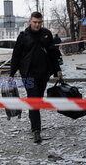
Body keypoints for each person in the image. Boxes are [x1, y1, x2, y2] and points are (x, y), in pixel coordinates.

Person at [9, 12, 62, 143]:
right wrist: (11, 74)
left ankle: (35, 125)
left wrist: (58, 71)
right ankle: (36, 130)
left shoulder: (47, 34)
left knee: (38, 99)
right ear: (30, 21)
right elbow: (16, 56)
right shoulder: (23, 36)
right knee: (33, 100)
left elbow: (53, 54)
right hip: (28, 74)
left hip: (43, 74)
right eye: (35, 22)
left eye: (39, 22)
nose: (37, 25)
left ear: (41, 22)